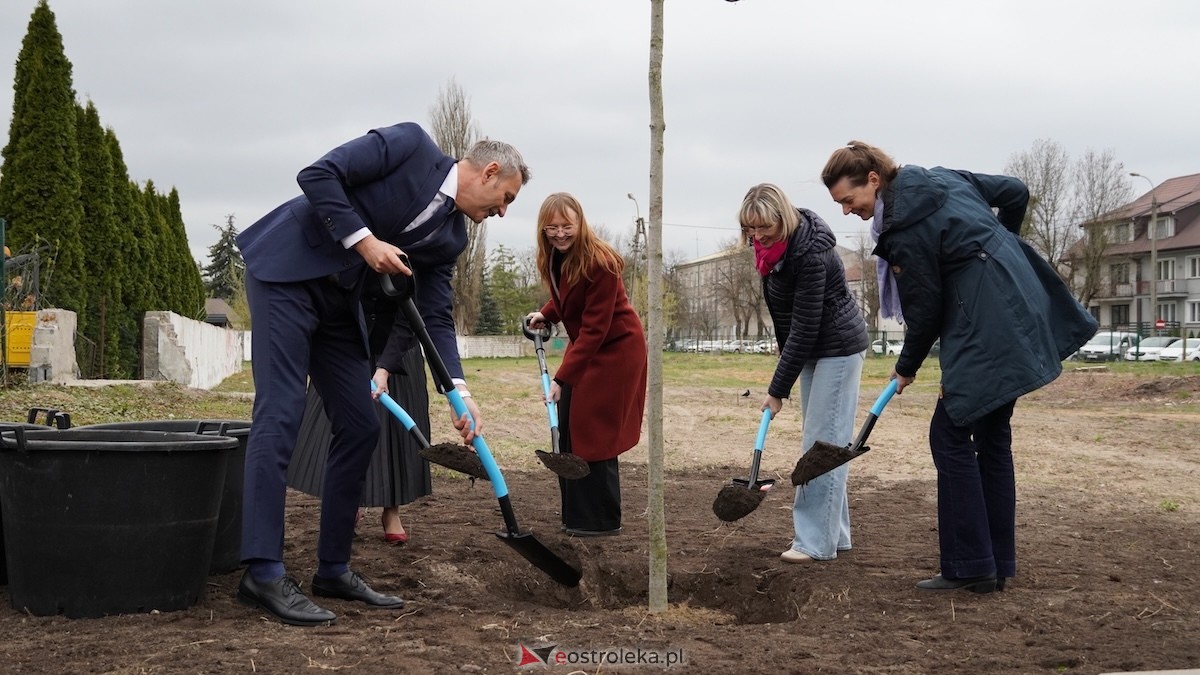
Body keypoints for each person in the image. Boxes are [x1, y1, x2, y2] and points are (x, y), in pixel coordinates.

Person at [235, 122, 530, 625]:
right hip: (287, 274)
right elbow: (318, 174)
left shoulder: (451, 236)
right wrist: (365, 242)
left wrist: (459, 391)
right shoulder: (411, 147)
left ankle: (332, 568)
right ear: (489, 171)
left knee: (361, 423)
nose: (501, 212)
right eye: (505, 199)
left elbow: (434, 314)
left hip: (338, 309)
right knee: (281, 412)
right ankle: (261, 572)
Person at [820, 141, 1097, 593]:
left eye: (849, 201)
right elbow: (1015, 192)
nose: (848, 211)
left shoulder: (905, 227)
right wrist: (1002, 242)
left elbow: (926, 310)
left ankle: (971, 566)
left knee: (949, 433)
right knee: (990, 434)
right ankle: (993, 563)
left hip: (987, 319)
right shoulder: (940, 177)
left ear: (873, 179)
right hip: (1018, 294)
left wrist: (906, 366)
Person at [737, 183, 869, 564]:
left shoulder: (810, 254)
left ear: (784, 218)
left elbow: (806, 325)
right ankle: (835, 535)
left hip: (837, 350)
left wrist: (777, 390)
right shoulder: (771, 252)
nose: (757, 236)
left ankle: (814, 543)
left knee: (820, 447)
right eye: (751, 229)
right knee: (825, 444)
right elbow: (790, 321)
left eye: (765, 228)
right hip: (816, 349)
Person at [525, 193, 646, 537]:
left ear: (580, 223)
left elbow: (595, 329)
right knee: (569, 426)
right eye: (552, 228)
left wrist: (561, 380)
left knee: (594, 429)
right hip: (590, 347)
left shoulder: (601, 262)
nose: (560, 234)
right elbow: (567, 296)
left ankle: (601, 520)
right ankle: (576, 516)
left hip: (616, 350)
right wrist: (545, 313)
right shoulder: (556, 257)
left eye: (567, 227)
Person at [286, 280, 431, 546]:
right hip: (347, 344)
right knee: (342, 424)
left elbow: (409, 316)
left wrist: (385, 366)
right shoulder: (350, 246)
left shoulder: (411, 254)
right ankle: (349, 500)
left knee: (394, 434)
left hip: (399, 350)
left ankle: (392, 510)